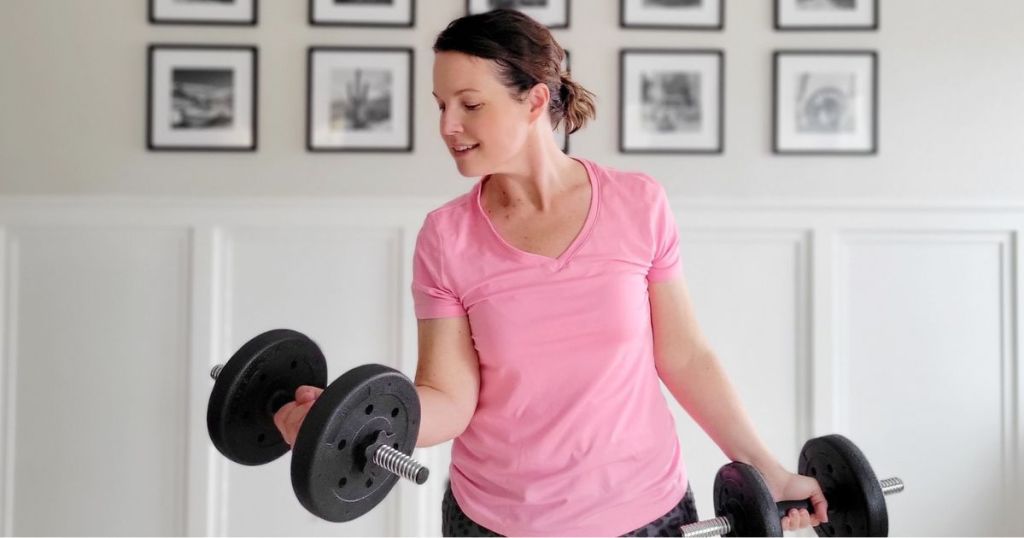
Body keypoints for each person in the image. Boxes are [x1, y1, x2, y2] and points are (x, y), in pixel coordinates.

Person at [274, 9, 829, 537]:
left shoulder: (638, 203)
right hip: (495, 521)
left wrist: (768, 470)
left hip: (647, 510)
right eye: (440, 104)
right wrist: (345, 420)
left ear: (535, 100)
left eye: (470, 104)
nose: (447, 125)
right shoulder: (446, 237)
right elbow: (449, 397)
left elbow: (683, 356)